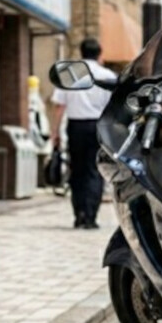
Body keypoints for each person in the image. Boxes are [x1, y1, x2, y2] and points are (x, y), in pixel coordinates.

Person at [51, 39, 116, 229]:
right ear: (99, 54)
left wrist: (55, 132)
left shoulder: (69, 73)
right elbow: (113, 107)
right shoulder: (107, 76)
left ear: (81, 52)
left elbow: (59, 106)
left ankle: (79, 213)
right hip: (98, 126)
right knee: (94, 170)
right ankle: (90, 216)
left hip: (75, 126)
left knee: (77, 169)